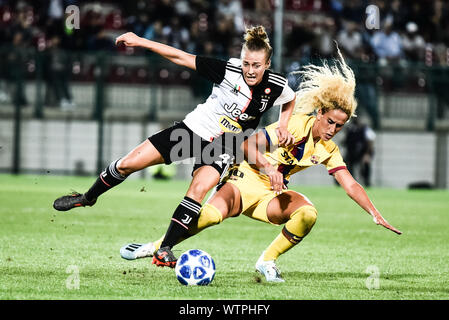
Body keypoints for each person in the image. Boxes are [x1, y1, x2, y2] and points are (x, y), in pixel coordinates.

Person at [122, 49, 402, 282]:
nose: (333, 129)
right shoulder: (292, 123)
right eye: (330, 121)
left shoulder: (329, 150)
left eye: (339, 126)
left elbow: (350, 183)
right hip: (244, 177)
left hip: (270, 195)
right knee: (209, 217)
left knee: (307, 214)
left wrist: (374, 212)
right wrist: (270, 168)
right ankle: (156, 247)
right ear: (320, 112)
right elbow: (245, 144)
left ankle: (267, 261)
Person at [53, 25, 296, 268]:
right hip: (193, 130)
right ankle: (87, 198)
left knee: (199, 189)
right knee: (128, 164)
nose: (250, 71)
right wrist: (141, 41)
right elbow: (181, 57)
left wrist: (283, 125)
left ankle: (165, 249)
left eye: (256, 65)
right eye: (246, 64)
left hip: (226, 144)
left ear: (267, 64)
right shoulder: (228, 70)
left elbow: (290, 99)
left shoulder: (276, 85)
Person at [343, 117, 376, 187]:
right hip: (351, 153)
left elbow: (370, 142)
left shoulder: (365, 129)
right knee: (343, 164)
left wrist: (367, 154)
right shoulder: (349, 129)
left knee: (365, 163)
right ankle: (349, 182)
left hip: (363, 153)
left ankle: (366, 181)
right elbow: (346, 141)